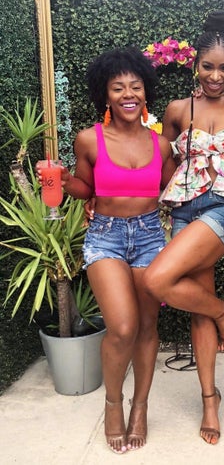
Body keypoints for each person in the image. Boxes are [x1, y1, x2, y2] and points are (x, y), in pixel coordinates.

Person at [38, 46, 176, 454]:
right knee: (122, 328)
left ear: (146, 92)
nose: (128, 94)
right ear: (106, 94)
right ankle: (113, 403)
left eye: (136, 86)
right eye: (118, 87)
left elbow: (173, 189)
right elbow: (87, 188)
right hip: (106, 236)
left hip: (150, 236)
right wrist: (65, 181)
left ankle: (140, 406)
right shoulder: (89, 140)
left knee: (147, 327)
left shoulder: (161, 145)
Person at [142, 11, 224, 445]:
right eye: (208, 66)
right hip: (183, 209)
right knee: (198, 305)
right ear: (195, 65)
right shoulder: (179, 109)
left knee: (157, 280)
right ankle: (210, 398)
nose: (215, 76)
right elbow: (165, 160)